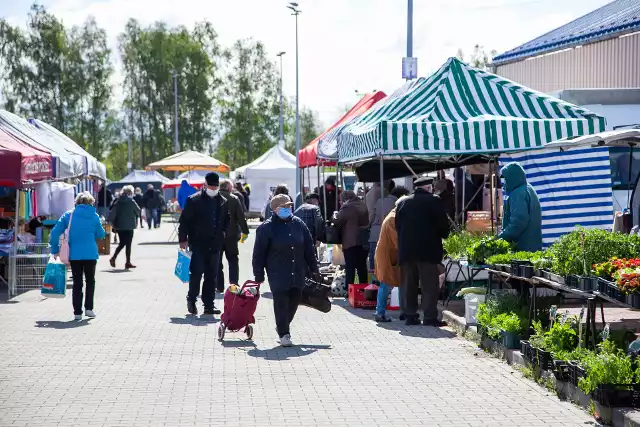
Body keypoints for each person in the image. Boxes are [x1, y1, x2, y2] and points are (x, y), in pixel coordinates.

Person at [252, 194, 318, 347]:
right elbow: (258, 254)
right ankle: (284, 334)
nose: (289, 209)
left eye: (289, 206)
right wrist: (258, 275)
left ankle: (282, 325)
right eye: (285, 207)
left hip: (298, 271)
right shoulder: (266, 228)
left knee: (295, 300)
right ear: (275, 209)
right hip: (277, 272)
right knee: (281, 302)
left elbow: (309, 247)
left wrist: (314, 268)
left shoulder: (299, 224)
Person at [395, 176, 449, 326]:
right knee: (429, 285)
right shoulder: (434, 201)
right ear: (429, 187)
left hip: (407, 251)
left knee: (409, 284)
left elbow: (397, 226)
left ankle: (410, 315)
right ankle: (430, 317)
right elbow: (443, 226)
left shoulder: (403, 202)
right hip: (428, 250)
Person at [179, 173, 230, 315]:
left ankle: (209, 305)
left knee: (211, 275)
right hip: (198, 243)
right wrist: (183, 238)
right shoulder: (194, 200)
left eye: (216, 186)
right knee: (196, 273)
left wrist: (225, 233)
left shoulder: (222, 201)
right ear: (205, 185)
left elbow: (227, 219)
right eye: (211, 186)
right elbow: (184, 221)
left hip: (215, 244)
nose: (213, 188)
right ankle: (192, 299)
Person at [49, 192, 106, 320]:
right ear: (91, 202)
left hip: (74, 254)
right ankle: (89, 309)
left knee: (77, 283)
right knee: (90, 281)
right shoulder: (94, 216)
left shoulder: (68, 215)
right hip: (91, 253)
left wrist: (55, 249)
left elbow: (55, 232)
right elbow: (101, 234)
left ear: (76, 202)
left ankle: (77, 312)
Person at [373, 195, 408, 322]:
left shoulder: (394, 215)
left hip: (390, 255)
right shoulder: (393, 219)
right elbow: (397, 240)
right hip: (387, 256)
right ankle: (379, 312)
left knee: (399, 282)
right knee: (386, 283)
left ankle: (403, 312)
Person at [498, 162, 542, 252]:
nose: (504, 183)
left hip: (523, 247)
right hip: (533, 247)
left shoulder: (518, 194)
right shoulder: (529, 188)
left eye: (506, 179)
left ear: (512, 178)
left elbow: (518, 222)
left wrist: (501, 238)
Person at [217, 179, 250, 292]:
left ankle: (219, 286)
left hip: (216, 236)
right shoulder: (234, 199)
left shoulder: (213, 198)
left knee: (217, 261)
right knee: (233, 260)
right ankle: (234, 284)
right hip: (231, 236)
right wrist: (245, 231)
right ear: (228, 187)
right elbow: (240, 217)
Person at [333, 190, 369, 287]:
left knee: (350, 266)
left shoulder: (348, 207)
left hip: (351, 241)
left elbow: (337, 220)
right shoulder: (362, 205)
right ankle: (364, 288)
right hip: (363, 240)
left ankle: (349, 289)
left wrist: (335, 214)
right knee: (362, 266)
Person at [108, 185, 141, 269]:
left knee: (122, 243)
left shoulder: (117, 201)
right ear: (130, 193)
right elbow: (138, 211)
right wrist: (134, 215)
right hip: (130, 226)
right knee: (128, 244)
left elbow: (112, 213)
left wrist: (112, 223)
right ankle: (126, 261)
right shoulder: (131, 201)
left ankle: (119, 259)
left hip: (119, 226)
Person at [368, 180, 397, 271]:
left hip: (375, 233)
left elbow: (371, 217)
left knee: (374, 258)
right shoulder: (395, 203)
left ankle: (374, 281)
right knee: (386, 260)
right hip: (389, 234)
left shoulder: (377, 200)